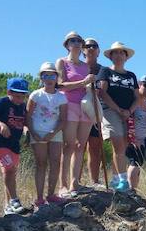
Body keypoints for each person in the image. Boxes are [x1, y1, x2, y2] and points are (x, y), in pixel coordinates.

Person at [56, 31, 94, 198]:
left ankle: (74, 183)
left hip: (85, 106)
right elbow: (60, 85)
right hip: (69, 104)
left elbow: (87, 87)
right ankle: (62, 185)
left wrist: (91, 85)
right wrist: (83, 82)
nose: (76, 43)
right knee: (69, 146)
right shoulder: (62, 62)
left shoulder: (86, 66)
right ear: (67, 44)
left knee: (80, 146)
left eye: (79, 40)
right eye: (72, 40)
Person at [97, 41, 139, 192]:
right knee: (118, 144)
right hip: (110, 111)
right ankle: (122, 179)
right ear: (111, 56)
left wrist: (129, 110)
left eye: (122, 52)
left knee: (124, 145)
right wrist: (119, 110)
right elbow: (102, 92)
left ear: (126, 57)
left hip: (127, 113)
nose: (119, 55)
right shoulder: (105, 71)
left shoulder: (131, 75)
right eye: (116, 52)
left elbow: (137, 96)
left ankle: (115, 179)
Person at [0, 77, 30, 215]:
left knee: (10, 173)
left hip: (14, 144)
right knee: (9, 169)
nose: (20, 99)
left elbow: (25, 122)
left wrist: (26, 132)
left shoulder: (23, 106)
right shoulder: (2, 103)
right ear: (9, 92)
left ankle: (8, 207)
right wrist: (1, 124)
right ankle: (15, 200)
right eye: (17, 96)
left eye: (23, 95)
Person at [27, 62, 67, 207]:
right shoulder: (36, 95)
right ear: (41, 78)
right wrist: (33, 133)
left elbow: (63, 119)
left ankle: (51, 194)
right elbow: (28, 116)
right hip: (38, 131)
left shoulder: (61, 97)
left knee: (56, 162)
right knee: (41, 163)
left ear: (56, 78)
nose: (49, 78)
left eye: (52, 75)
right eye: (45, 75)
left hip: (55, 132)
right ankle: (39, 198)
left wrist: (53, 132)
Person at [82, 38, 108, 187]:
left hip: (97, 111)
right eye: (87, 46)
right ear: (83, 50)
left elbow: (104, 91)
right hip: (79, 110)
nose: (91, 48)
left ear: (98, 51)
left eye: (94, 46)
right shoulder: (77, 67)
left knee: (95, 146)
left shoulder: (103, 70)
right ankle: (74, 181)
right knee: (77, 146)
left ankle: (94, 181)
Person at [124, 78, 146, 192]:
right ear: (139, 85)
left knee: (139, 164)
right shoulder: (132, 100)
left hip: (143, 139)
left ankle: (134, 190)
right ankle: (130, 190)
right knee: (134, 162)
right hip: (130, 138)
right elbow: (127, 118)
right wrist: (132, 138)